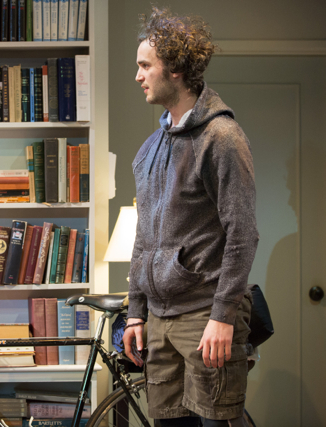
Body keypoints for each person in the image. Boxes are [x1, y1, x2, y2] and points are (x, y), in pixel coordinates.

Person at [122, 7, 259, 427]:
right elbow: (144, 236)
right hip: (159, 320)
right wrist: (135, 311)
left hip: (205, 316)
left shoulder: (222, 137)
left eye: (146, 66)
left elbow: (242, 234)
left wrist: (222, 316)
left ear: (176, 69)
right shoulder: (150, 149)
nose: (138, 76)